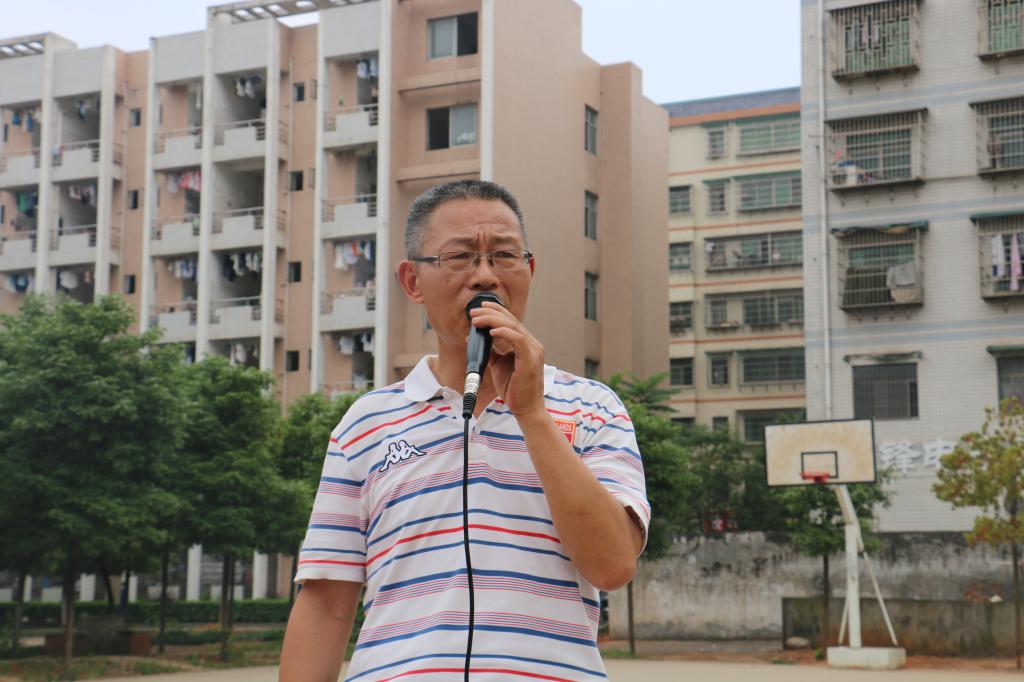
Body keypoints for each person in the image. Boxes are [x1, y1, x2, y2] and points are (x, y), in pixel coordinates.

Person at [280, 180, 650, 681]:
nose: (485, 276)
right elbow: (326, 605)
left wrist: (532, 414)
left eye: (505, 256)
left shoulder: (593, 408)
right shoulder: (364, 425)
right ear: (413, 281)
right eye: (459, 257)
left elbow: (613, 565)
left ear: (529, 271)